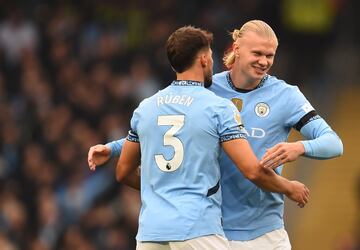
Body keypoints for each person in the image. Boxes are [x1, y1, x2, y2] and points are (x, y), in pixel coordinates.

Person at [89, 20, 340, 249]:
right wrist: (113, 148)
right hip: (214, 231)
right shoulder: (209, 91)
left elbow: (333, 143)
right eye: (257, 53)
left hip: (266, 232)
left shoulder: (287, 96)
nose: (264, 61)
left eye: (269, 55)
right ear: (237, 48)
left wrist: (299, 148)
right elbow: (169, 128)